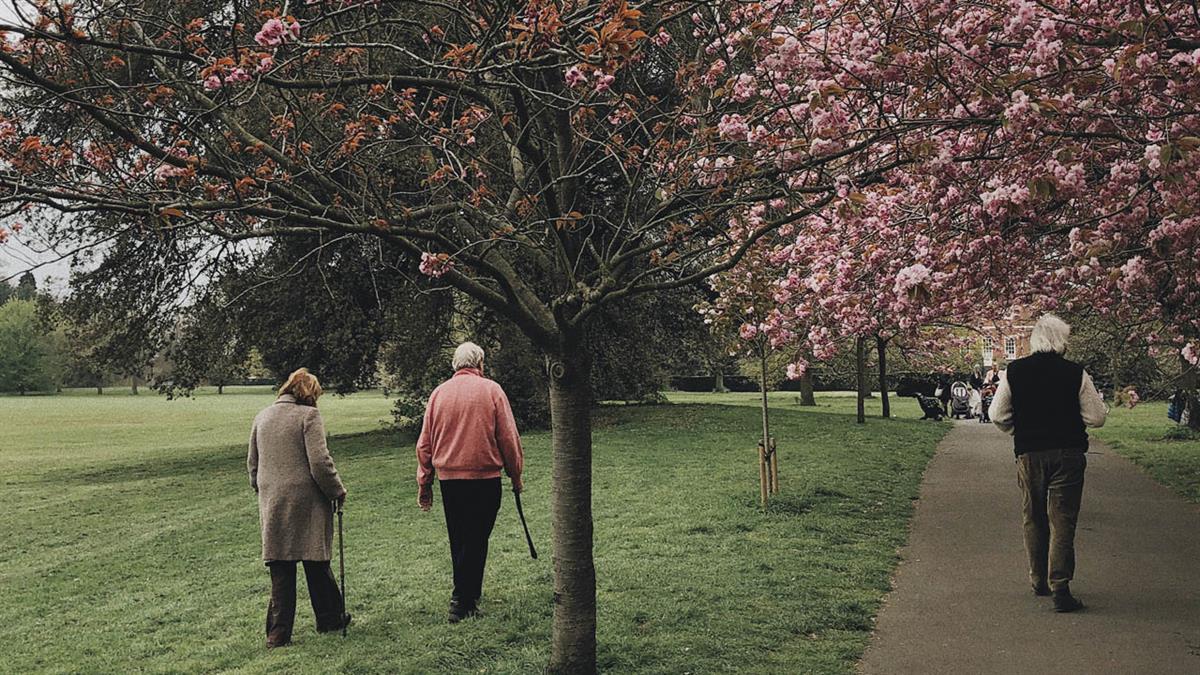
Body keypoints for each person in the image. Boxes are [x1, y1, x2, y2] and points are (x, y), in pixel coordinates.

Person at [988, 315, 1107, 612]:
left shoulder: (1014, 372)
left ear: (1035, 341)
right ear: (1061, 341)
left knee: (1033, 516)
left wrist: (1020, 430)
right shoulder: (1075, 373)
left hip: (1029, 454)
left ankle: (1038, 578)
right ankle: (1061, 587)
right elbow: (1096, 417)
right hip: (1067, 454)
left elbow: (997, 414)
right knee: (1062, 519)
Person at [416, 342, 525, 623]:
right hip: (484, 479)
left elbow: (425, 444)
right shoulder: (492, 390)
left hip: (449, 481)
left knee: (460, 538)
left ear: (456, 364)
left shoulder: (438, 394)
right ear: (480, 363)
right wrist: (515, 474)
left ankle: (466, 595)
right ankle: (462, 600)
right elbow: (508, 438)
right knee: (476, 539)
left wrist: (425, 482)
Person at [248, 368, 349, 647]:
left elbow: (252, 463)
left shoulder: (262, 416)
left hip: (273, 500)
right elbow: (320, 462)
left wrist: (262, 488)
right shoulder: (309, 416)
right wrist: (337, 490)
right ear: (309, 393)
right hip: (307, 500)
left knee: (280, 566)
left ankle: (278, 634)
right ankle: (330, 618)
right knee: (316, 560)